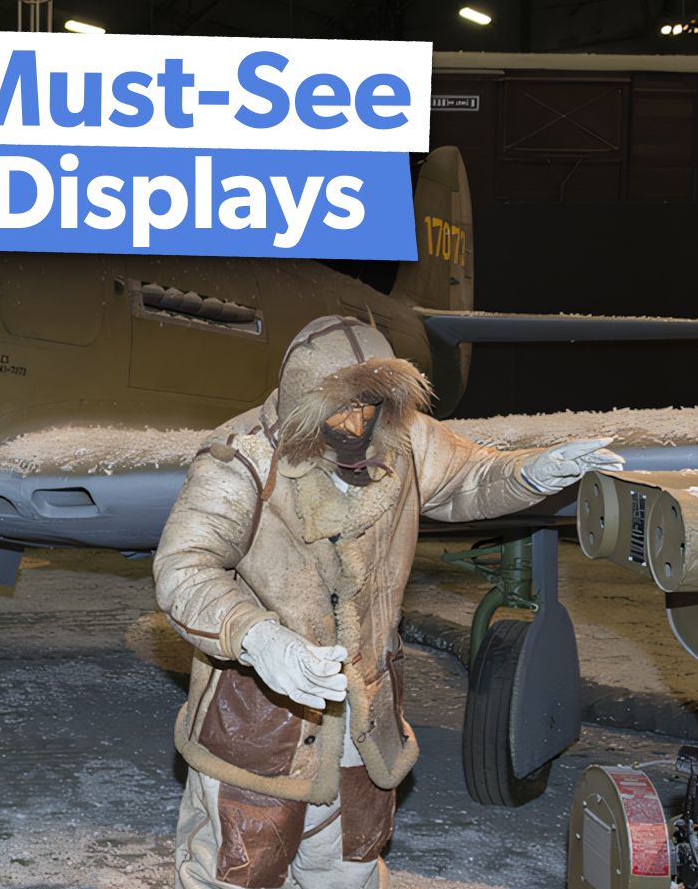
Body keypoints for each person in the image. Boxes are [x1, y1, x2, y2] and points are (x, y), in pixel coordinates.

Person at [152, 315, 620, 889]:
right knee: (237, 870)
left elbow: (470, 476)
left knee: (349, 869)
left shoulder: (403, 438)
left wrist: (534, 471)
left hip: (364, 721)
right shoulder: (242, 460)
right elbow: (184, 568)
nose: (357, 424)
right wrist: (257, 637)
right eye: (340, 409)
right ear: (303, 402)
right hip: (259, 724)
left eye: (370, 407)